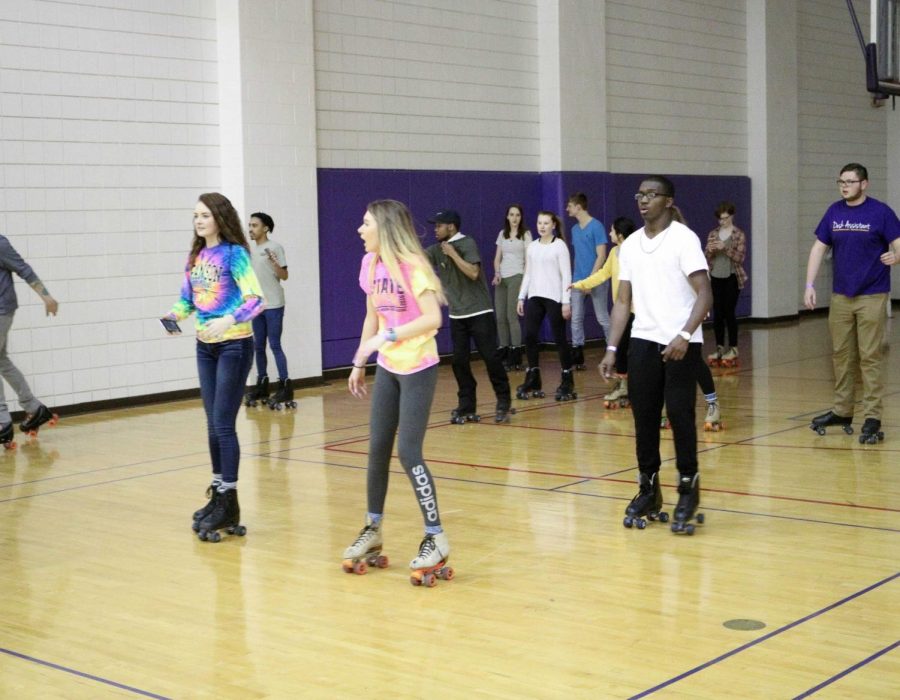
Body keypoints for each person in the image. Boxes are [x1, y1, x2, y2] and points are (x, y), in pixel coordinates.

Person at [344, 199, 453, 585]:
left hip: (418, 365)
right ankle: (372, 529)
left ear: (385, 228)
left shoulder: (414, 266)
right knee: (377, 447)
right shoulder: (370, 265)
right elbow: (372, 315)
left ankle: (436, 537)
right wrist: (360, 359)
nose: (360, 229)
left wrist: (385, 336)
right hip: (389, 365)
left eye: (366, 223)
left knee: (408, 451)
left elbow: (432, 318)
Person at [600, 176, 712, 533]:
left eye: (651, 194)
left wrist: (684, 334)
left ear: (668, 200)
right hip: (644, 340)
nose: (643, 200)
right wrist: (612, 348)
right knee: (644, 418)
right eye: (640, 195)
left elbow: (705, 294)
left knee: (680, 416)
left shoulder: (684, 238)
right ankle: (648, 489)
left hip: (681, 343)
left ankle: (688, 487)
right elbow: (622, 301)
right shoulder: (630, 245)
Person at [164, 192, 265, 541]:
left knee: (223, 424)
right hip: (205, 347)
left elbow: (256, 300)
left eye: (205, 215)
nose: (199, 221)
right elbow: (187, 299)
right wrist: (173, 315)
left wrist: (229, 321)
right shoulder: (197, 256)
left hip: (234, 345)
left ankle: (230, 498)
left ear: (220, 218)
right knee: (211, 424)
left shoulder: (235, 255)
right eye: (195, 215)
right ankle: (219, 490)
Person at [804, 162, 900, 444]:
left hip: (872, 294)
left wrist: (896, 256)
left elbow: (898, 244)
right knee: (841, 355)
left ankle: (872, 417)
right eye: (841, 181)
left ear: (864, 184)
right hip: (841, 297)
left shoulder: (880, 212)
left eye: (850, 181)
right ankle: (842, 411)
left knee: (870, 357)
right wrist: (809, 285)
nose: (844, 186)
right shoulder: (834, 212)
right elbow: (818, 248)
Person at [425, 209, 514, 423]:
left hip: (480, 311)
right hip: (457, 315)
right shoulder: (438, 249)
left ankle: (503, 400)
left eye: (439, 225)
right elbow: (417, 259)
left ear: (451, 227)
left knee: (491, 358)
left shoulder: (467, 243)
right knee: (459, 361)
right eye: (435, 225)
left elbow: (474, 273)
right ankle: (466, 404)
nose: (435, 229)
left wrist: (453, 254)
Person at [0, 235, 60, 447]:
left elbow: (24, 269)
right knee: (2, 361)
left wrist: (46, 297)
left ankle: (3, 422)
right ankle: (34, 408)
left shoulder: (0, 244)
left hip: (2, 311)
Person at [570, 216, 636, 409]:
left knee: (632, 352)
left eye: (612, 231)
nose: (609, 234)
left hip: (637, 311)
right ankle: (624, 385)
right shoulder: (614, 252)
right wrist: (580, 284)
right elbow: (602, 274)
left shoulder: (635, 254)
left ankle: (634, 387)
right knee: (622, 350)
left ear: (620, 235)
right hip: (621, 310)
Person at [516, 211, 576, 402]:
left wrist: (566, 301)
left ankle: (567, 378)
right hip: (535, 296)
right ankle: (533, 375)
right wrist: (521, 297)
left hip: (554, 297)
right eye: (539, 222)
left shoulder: (559, 246)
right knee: (530, 335)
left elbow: (566, 275)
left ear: (553, 225)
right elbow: (528, 273)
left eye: (546, 223)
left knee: (560, 338)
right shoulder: (532, 247)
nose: (542, 226)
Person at [245, 211, 295, 410]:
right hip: (258, 306)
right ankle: (262, 382)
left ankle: (284, 385)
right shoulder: (250, 250)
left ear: (265, 228)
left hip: (274, 304)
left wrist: (275, 263)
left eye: (255, 225)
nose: (251, 228)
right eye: (249, 225)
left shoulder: (275, 247)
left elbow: (285, 276)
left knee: (274, 344)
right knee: (258, 346)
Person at [566, 192, 610, 369]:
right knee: (576, 318)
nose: (567, 209)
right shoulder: (574, 229)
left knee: (602, 317)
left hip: (596, 279)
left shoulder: (596, 226)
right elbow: (578, 256)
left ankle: (613, 348)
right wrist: (578, 280)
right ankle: (577, 352)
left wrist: (591, 280)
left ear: (578, 207)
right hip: (578, 279)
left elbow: (601, 255)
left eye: (569, 205)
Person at [705, 201, 748, 367]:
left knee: (729, 312)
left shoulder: (738, 234)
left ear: (731, 216)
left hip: (732, 276)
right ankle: (719, 347)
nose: (722, 222)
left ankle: (734, 347)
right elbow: (706, 256)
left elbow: (740, 258)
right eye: (720, 219)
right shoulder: (713, 234)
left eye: (725, 218)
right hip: (716, 276)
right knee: (718, 312)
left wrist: (725, 248)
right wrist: (710, 250)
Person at [492, 204, 532, 371]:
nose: (514, 218)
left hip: (517, 275)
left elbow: (530, 258)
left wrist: (526, 280)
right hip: (502, 277)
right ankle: (504, 351)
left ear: (521, 217)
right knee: (500, 316)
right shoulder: (502, 234)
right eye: (511, 215)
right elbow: (497, 258)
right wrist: (497, 273)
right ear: (507, 217)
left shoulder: (526, 234)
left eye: (517, 215)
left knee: (511, 316)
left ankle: (516, 354)